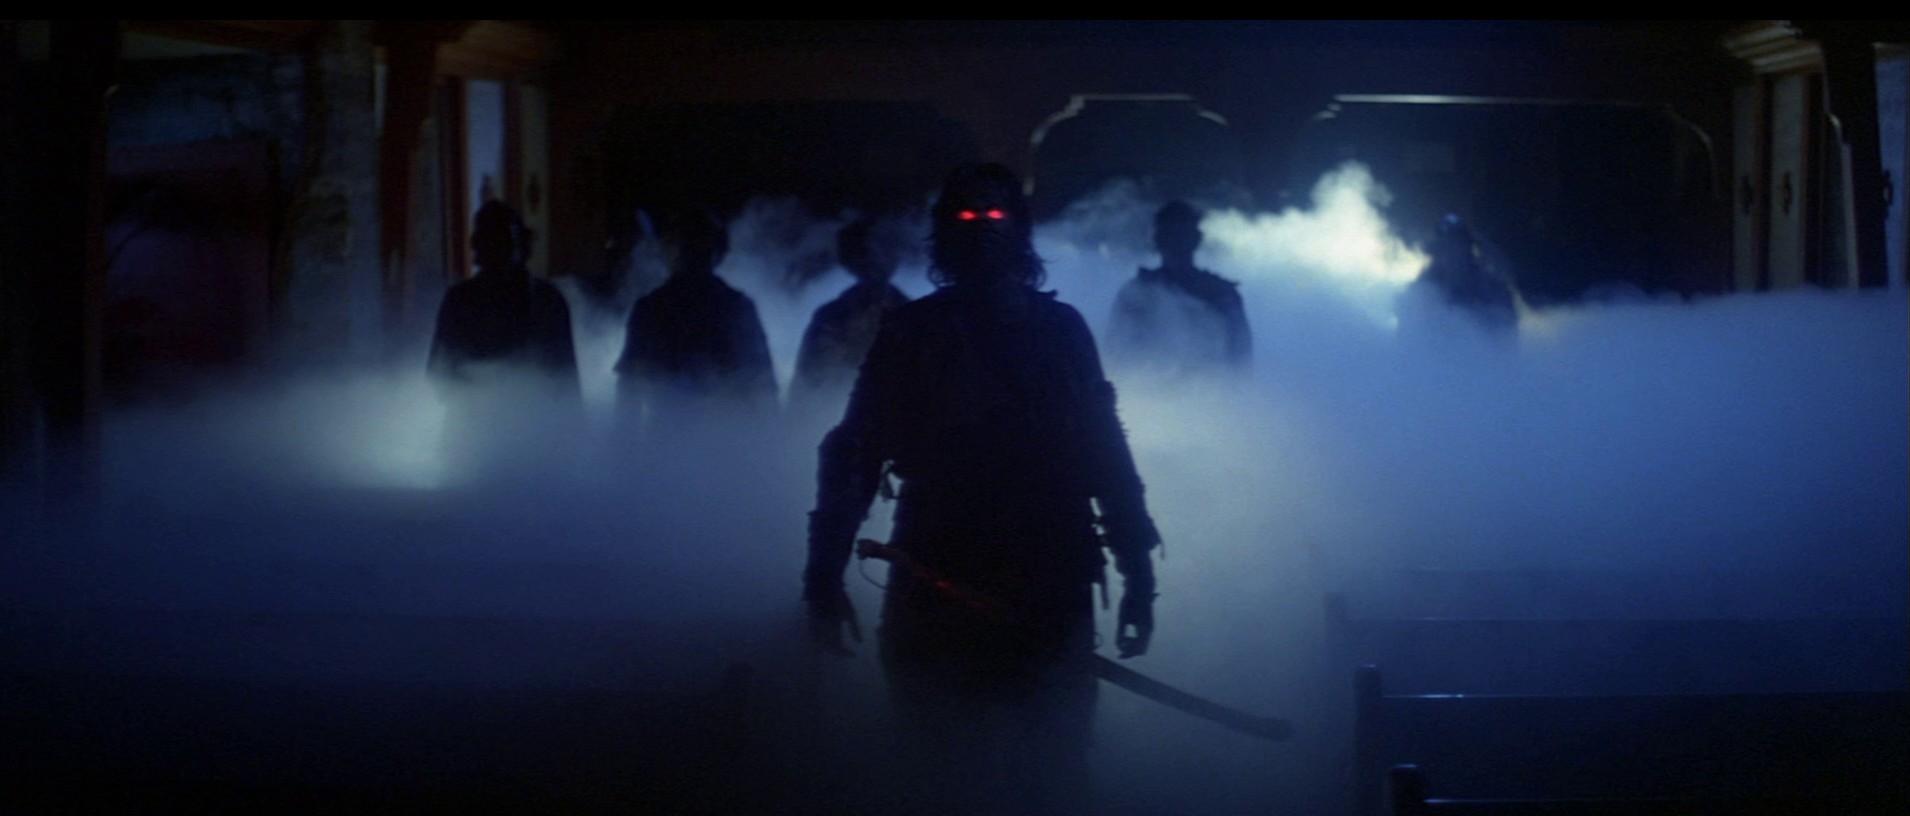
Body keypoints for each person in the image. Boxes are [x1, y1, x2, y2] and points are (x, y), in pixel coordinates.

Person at [802, 162, 1163, 814]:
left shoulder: (1061, 330)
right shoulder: (913, 332)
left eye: (996, 216)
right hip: (937, 568)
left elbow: (1104, 451)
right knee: (933, 766)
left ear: (1018, 230)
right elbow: (856, 450)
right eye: (967, 217)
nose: (983, 231)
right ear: (946, 232)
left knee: (1052, 769)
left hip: (1049, 576)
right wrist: (823, 573)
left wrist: (1137, 569)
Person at [614, 208, 777, 429]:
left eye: (695, 244)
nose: (688, 252)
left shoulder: (736, 308)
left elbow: (762, 386)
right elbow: (629, 388)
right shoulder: (651, 309)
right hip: (691, 436)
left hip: (711, 435)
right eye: (683, 244)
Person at [427, 200, 580, 399]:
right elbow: (439, 372)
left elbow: (566, 379)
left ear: (521, 245)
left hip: (535, 411)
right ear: (479, 246)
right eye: (492, 243)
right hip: (474, 411)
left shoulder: (547, 300)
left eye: (506, 243)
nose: (501, 252)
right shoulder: (459, 300)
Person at [1106, 200, 1251, 373]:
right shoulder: (1137, 294)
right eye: (1171, 235)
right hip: (1151, 385)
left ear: (1195, 239)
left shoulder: (1222, 294)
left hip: (1210, 385)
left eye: (1182, 235)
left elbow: (1241, 358)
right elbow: (1117, 352)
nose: (1177, 243)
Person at [789, 217, 911, 413]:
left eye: (886, 250)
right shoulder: (831, 317)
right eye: (869, 252)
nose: (879, 259)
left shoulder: (913, 315)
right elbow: (806, 383)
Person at [1400, 213, 1518, 339]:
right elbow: (1408, 329)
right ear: (1439, 247)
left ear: (1468, 246)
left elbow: (1506, 328)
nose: (1455, 251)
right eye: (1449, 244)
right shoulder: (1425, 285)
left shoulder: (1490, 284)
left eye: (1459, 243)